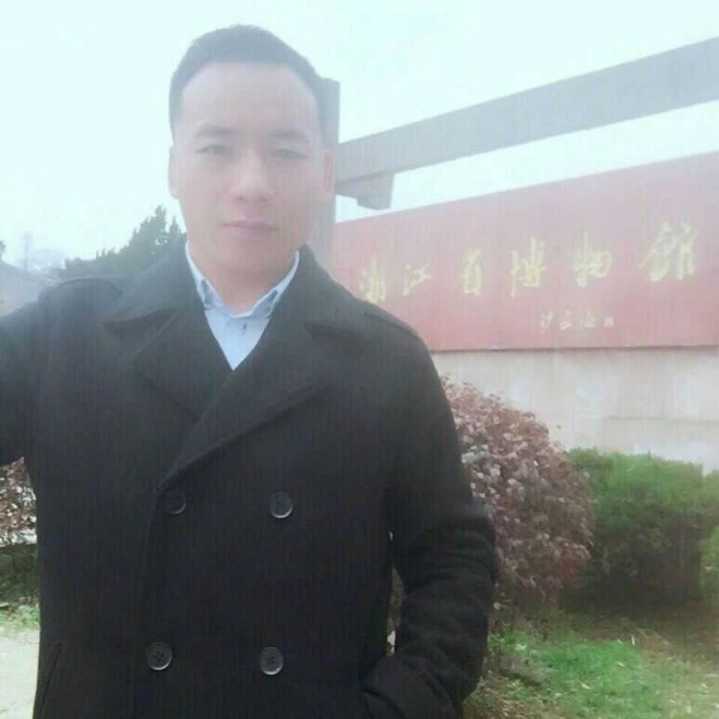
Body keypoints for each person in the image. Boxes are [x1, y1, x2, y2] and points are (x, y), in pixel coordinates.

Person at [0, 25, 497, 719]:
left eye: (285, 150)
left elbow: (453, 556)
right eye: (217, 147)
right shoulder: (66, 334)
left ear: (323, 172)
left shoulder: (387, 360)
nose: (252, 184)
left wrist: (400, 704)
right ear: (174, 166)